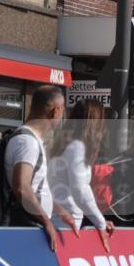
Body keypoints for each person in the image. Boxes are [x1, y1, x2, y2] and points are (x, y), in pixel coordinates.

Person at [2, 85, 79, 250]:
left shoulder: (33, 140)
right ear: (55, 111)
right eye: (63, 112)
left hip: (32, 225)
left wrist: (57, 209)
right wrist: (47, 221)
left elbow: (35, 187)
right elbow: (21, 187)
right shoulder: (27, 141)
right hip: (27, 227)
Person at [48, 99, 115, 251]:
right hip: (65, 221)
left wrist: (99, 219)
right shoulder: (78, 147)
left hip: (59, 216)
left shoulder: (65, 143)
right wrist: (100, 222)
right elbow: (80, 190)